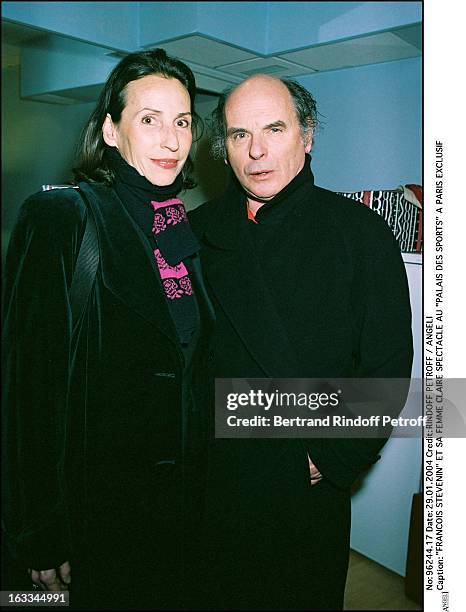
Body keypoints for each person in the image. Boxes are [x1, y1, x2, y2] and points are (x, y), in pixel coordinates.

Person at [189, 74, 414, 610]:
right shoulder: (192, 232)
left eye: (274, 128)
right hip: (211, 485)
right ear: (223, 148)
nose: (256, 150)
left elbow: (387, 365)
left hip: (303, 488)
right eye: (239, 134)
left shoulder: (359, 232)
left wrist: (325, 457)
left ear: (307, 136)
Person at [2, 48, 214, 610]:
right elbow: (28, 391)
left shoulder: (180, 228)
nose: (171, 139)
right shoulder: (63, 219)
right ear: (111, 131)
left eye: (183, 121)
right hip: (98, 520)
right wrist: (39, 533)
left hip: (181, 517)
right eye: (150, 120)